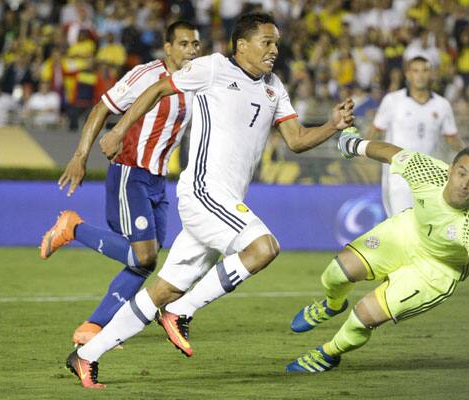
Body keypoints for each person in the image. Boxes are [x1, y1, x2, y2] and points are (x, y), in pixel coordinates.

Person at [65, 12, 354, 389]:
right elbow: (157, 89)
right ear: (241, 45)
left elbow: (296, 140)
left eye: (277, 43)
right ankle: (181, 312)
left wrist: (332, 126)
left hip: (223, 201)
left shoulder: (273, 86)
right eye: (266, 42)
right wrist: (119, 130)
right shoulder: (214, 68)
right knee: (264, 247)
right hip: (203, 190)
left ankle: (86, 355)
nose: (274, 50)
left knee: (161, 289)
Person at [286, 129, 469, 373]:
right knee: (336, 273)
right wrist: (354, 145)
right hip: (406, 233)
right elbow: (391, 153)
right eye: (461, 173)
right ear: (450, 169)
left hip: (435, 271)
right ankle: (332, 304)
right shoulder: (427, 170)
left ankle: (328, 354)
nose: (464, 184)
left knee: (364, 316)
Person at [39, 21, 201, 346]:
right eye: (184, 44)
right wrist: (80, 155)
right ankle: (73, 229)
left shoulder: (197, 82)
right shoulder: (146, 75)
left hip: (158, 179)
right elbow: (102, 107)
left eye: (195, 44)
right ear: (168, 48)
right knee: (143, 256)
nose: (191, 50)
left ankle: (94, 326)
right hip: (130, 172)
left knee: (147, 260)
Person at [368, 55, 464, 218]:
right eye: (415, 71)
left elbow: (452, 139)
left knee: (425, 231)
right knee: (403, 226)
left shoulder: (442, 105)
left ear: (431, 74)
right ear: (408, 74)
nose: (420, 75)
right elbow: (374, 132)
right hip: (398, 176)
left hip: (429, 177)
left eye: (425, 70)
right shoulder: (392, 101)